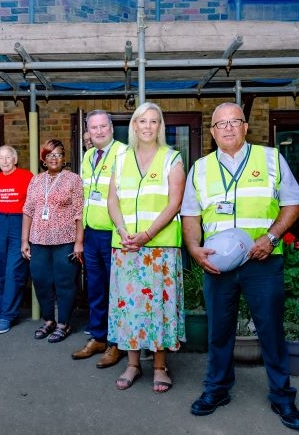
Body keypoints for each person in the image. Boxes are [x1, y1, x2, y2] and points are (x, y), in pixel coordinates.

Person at [180, 102, 299, 430]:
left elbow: (294, 203)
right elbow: (191, 215)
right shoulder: (201, 167)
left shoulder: (270, 158)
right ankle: (217, 390)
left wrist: (272, 237)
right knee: (218, 331)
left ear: (245, 126)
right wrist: (194, 249)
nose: (228, 128)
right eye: (220, 124)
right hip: (217, 265)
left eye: (234, 122)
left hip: (261, 260)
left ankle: (282, 397)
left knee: (271, 331)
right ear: (212, 132)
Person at [106, 102, 186, 393]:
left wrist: (148, 234)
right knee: (129, 308)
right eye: (143, 121)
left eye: (154, 121)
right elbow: (112, 199)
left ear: (160, 126)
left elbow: (175, 202)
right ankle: (132, 364)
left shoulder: (172, 158)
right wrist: (124, 231)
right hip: (126, 245)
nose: (148, 126)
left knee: (158, 309)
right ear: (135, 126)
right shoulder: (121, 157)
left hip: (160, 248)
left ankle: (160, 366)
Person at [72, 110, 128, 368]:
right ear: (88, 131)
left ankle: (117, 343)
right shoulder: (87, 156)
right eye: (93, 128)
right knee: (95, 289)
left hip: (115, 234)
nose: (98, 131)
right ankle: (98, 337)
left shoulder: (125, 153)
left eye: (103, 126)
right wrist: (80, 238)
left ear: (111, 128)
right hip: (92, 233)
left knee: (117, 291)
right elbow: (83, 199)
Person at [21, 139, 84, 343]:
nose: (54, 158)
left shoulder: (73, 180)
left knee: (64, 283)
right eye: (49, 155)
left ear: (64, 158)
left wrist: (78, 242)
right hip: (38, 239)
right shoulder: (36, 180)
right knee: (41, 281)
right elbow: (28, 210)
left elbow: (79, 212)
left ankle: (63, 323)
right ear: (44, 159)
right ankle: (49, 320)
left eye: (58, 154)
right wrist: (24, 241)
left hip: (65, 239)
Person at [0, 145, 33, 334]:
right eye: (0, 158)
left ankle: (8, 315)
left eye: (7, 157)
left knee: (14, 271)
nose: (4, 161)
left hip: (18, 222)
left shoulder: (26, 176)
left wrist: (28, 235)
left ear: (15, 159)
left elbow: (31, 206)